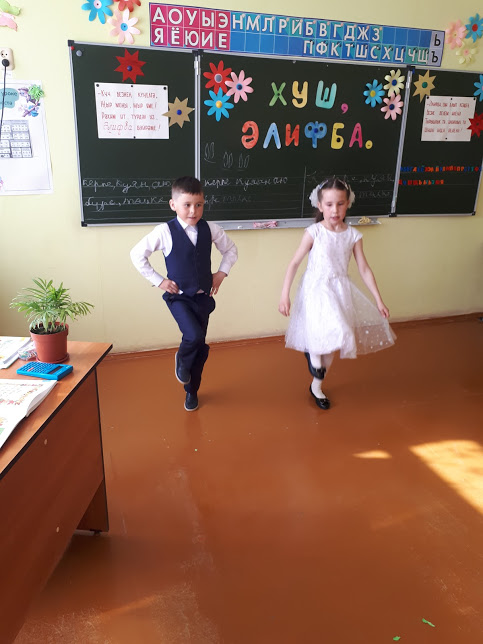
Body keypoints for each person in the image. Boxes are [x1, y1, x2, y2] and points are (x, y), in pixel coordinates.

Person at [278, 177, 395, 410]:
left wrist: (378, 300)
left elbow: (364, 269)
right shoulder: (314, 232)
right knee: (318, 333)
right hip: (315, 289)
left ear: (347, 204)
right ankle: (314, 359)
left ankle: (316, 385)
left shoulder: (353, 235)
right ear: (320, 206)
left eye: (340, 204)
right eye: (329, 204)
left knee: (338, 336)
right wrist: (284, 295)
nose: (335, 210)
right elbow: (294, 263)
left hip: (339, 289)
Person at [130, 176, 238, 412]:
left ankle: (192, 391)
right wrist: (159, 281)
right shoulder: (164, 231)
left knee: (199, 346)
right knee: (193, 336)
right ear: (173, 204)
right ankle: (181, 358)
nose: (193, 211)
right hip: (179, 297)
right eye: (187, 205)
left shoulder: (210, 229)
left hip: (203, 298)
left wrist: (222, 273)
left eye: (198, 205)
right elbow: (137, 255)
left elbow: (231, 250)